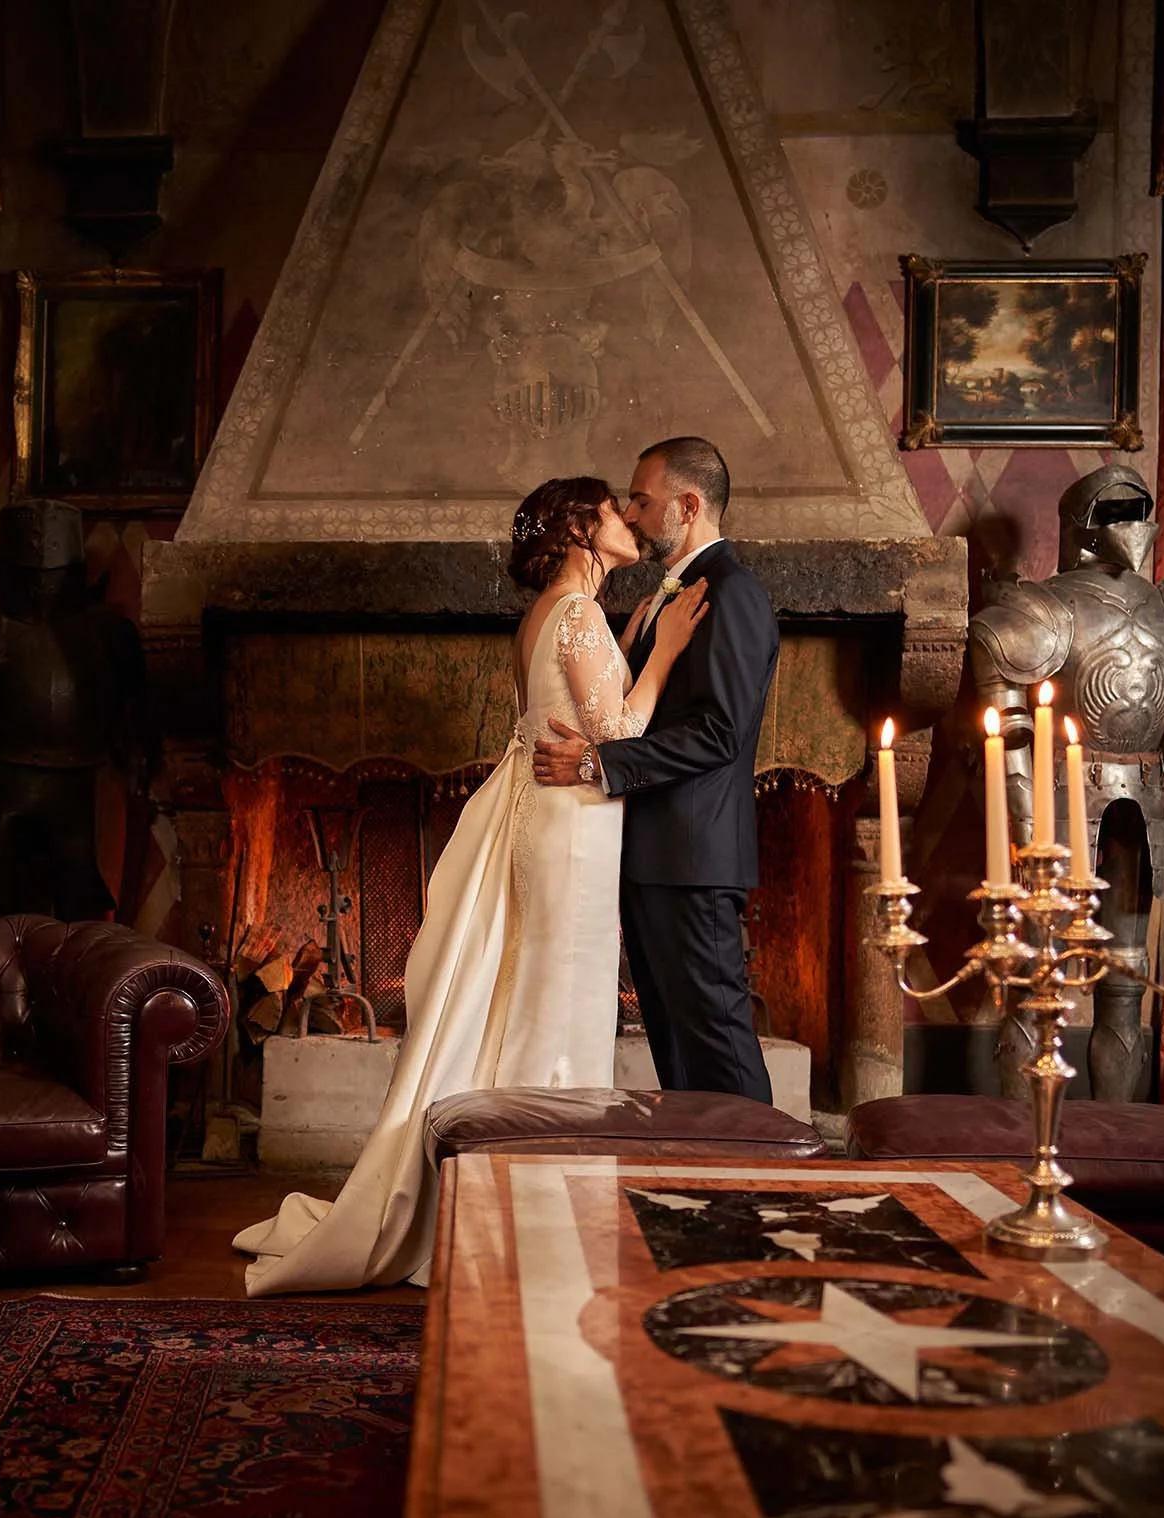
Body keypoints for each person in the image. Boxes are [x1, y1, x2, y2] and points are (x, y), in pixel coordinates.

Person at [233, 475, 710, 1295]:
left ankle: (509, 1190)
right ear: (576, 529)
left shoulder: (545, 617)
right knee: (562, 1000)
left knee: (533, 994)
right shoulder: (577, 614)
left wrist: (629, 642)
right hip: (574, 827)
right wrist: (663, 653)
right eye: (613, 508)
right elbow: (623, 731)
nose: (630, 518)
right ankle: (540, 1204)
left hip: (549, 819)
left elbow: (574, 709)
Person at [533, 436, 781, 1101]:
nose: (634, 514)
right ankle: (701, 1193)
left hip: (694, 864)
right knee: (678, 1055)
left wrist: (598, 761)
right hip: (651, 861)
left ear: (689, 505)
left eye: (642, 500)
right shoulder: (667, 598)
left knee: (719, 1049)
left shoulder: (734, 595)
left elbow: (720, 732)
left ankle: (761, 1195)